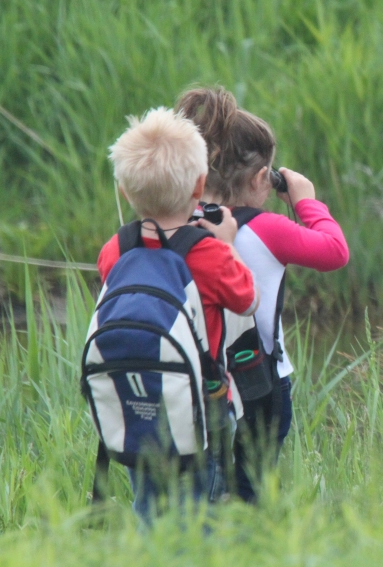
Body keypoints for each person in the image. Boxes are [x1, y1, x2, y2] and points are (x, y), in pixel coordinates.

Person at [175, 86, 350, 502]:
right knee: (249, 497)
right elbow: (335, 252)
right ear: (260, 179)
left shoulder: (176, 221)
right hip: (258, 384)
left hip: (191, 384)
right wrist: (306, 201)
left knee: (200, 493)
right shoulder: (268, 228)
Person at [97, 106, 259, 520]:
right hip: (202, 406)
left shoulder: (115, 250)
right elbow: (246, 299)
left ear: (124, 191)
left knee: (148, 501)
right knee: (200, 506)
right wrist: (227, 244)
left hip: (135, 401)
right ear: (200, 185)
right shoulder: (207, 253)